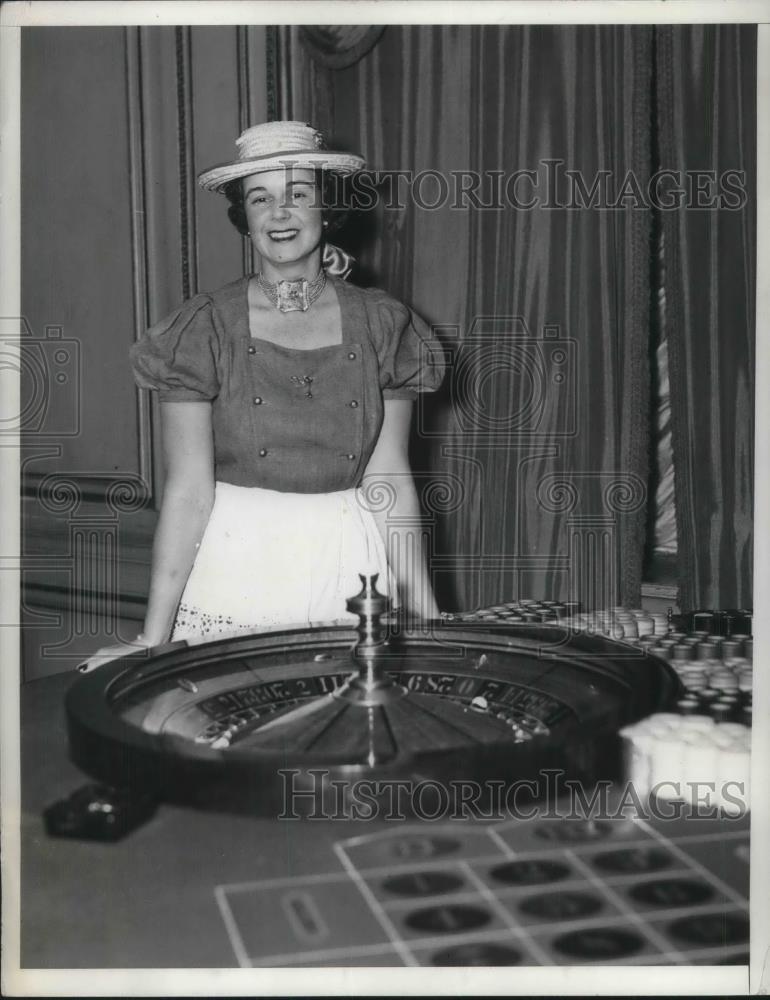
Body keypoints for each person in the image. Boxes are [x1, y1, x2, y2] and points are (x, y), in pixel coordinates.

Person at [80, 121, 444, 671]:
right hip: (237, 565)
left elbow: (389, 478)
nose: (280, 213)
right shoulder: (202, 328)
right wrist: (153, 637)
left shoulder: (382, 323)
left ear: (327, 207)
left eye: (299, 194)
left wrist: (425, 612)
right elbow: (188, 491)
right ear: (244, 217)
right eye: (260, 197)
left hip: (347, 563)